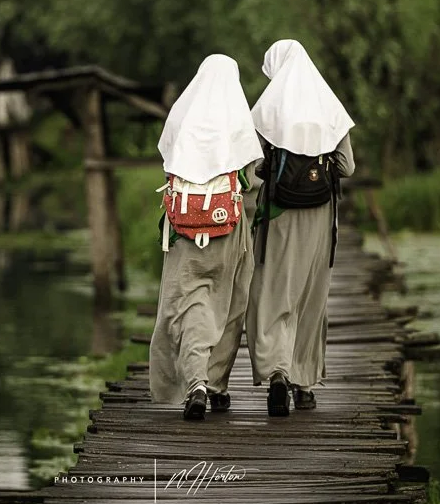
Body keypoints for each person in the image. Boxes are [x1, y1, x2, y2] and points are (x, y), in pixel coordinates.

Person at [149, 54, 263, 420]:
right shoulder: (237, 119)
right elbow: (253, 179)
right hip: (229, 229)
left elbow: (168, 161)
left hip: (183, 228)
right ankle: (215, 386)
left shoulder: (181, 117)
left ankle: (194, 383)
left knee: (189, 305)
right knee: (228, 303)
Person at [246, 39, 356, 417]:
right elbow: (347, 167)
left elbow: (252, 167)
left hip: (278, 214)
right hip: (320, 216)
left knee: (275, 290)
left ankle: (277, 370)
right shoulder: (329, 107)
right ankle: (304, 384)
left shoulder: (267, 109)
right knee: (311, 295)